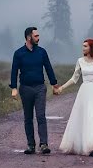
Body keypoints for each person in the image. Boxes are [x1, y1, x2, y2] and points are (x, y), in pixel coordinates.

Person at [54, 39, 93, 157]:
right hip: (85, 92)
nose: (83, 48)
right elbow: (74, 78)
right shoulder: (80, 61)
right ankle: (90, 146)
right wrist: (61, 88)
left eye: (85, 46)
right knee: (88, 117)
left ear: (91, 47)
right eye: (83, 46)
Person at [10, 26, 59, 154]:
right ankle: (31, 145)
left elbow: (48, 68)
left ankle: (44, 144)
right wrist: (14, 88)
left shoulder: (42, 52)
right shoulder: (19, 53)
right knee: (28, 117)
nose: (38, 38)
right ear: (28, 37)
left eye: (38, 35)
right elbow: (14, 71)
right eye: (36, 36)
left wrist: (54, 84)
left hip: (40, 88)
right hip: (25, 88)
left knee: (41, 115)